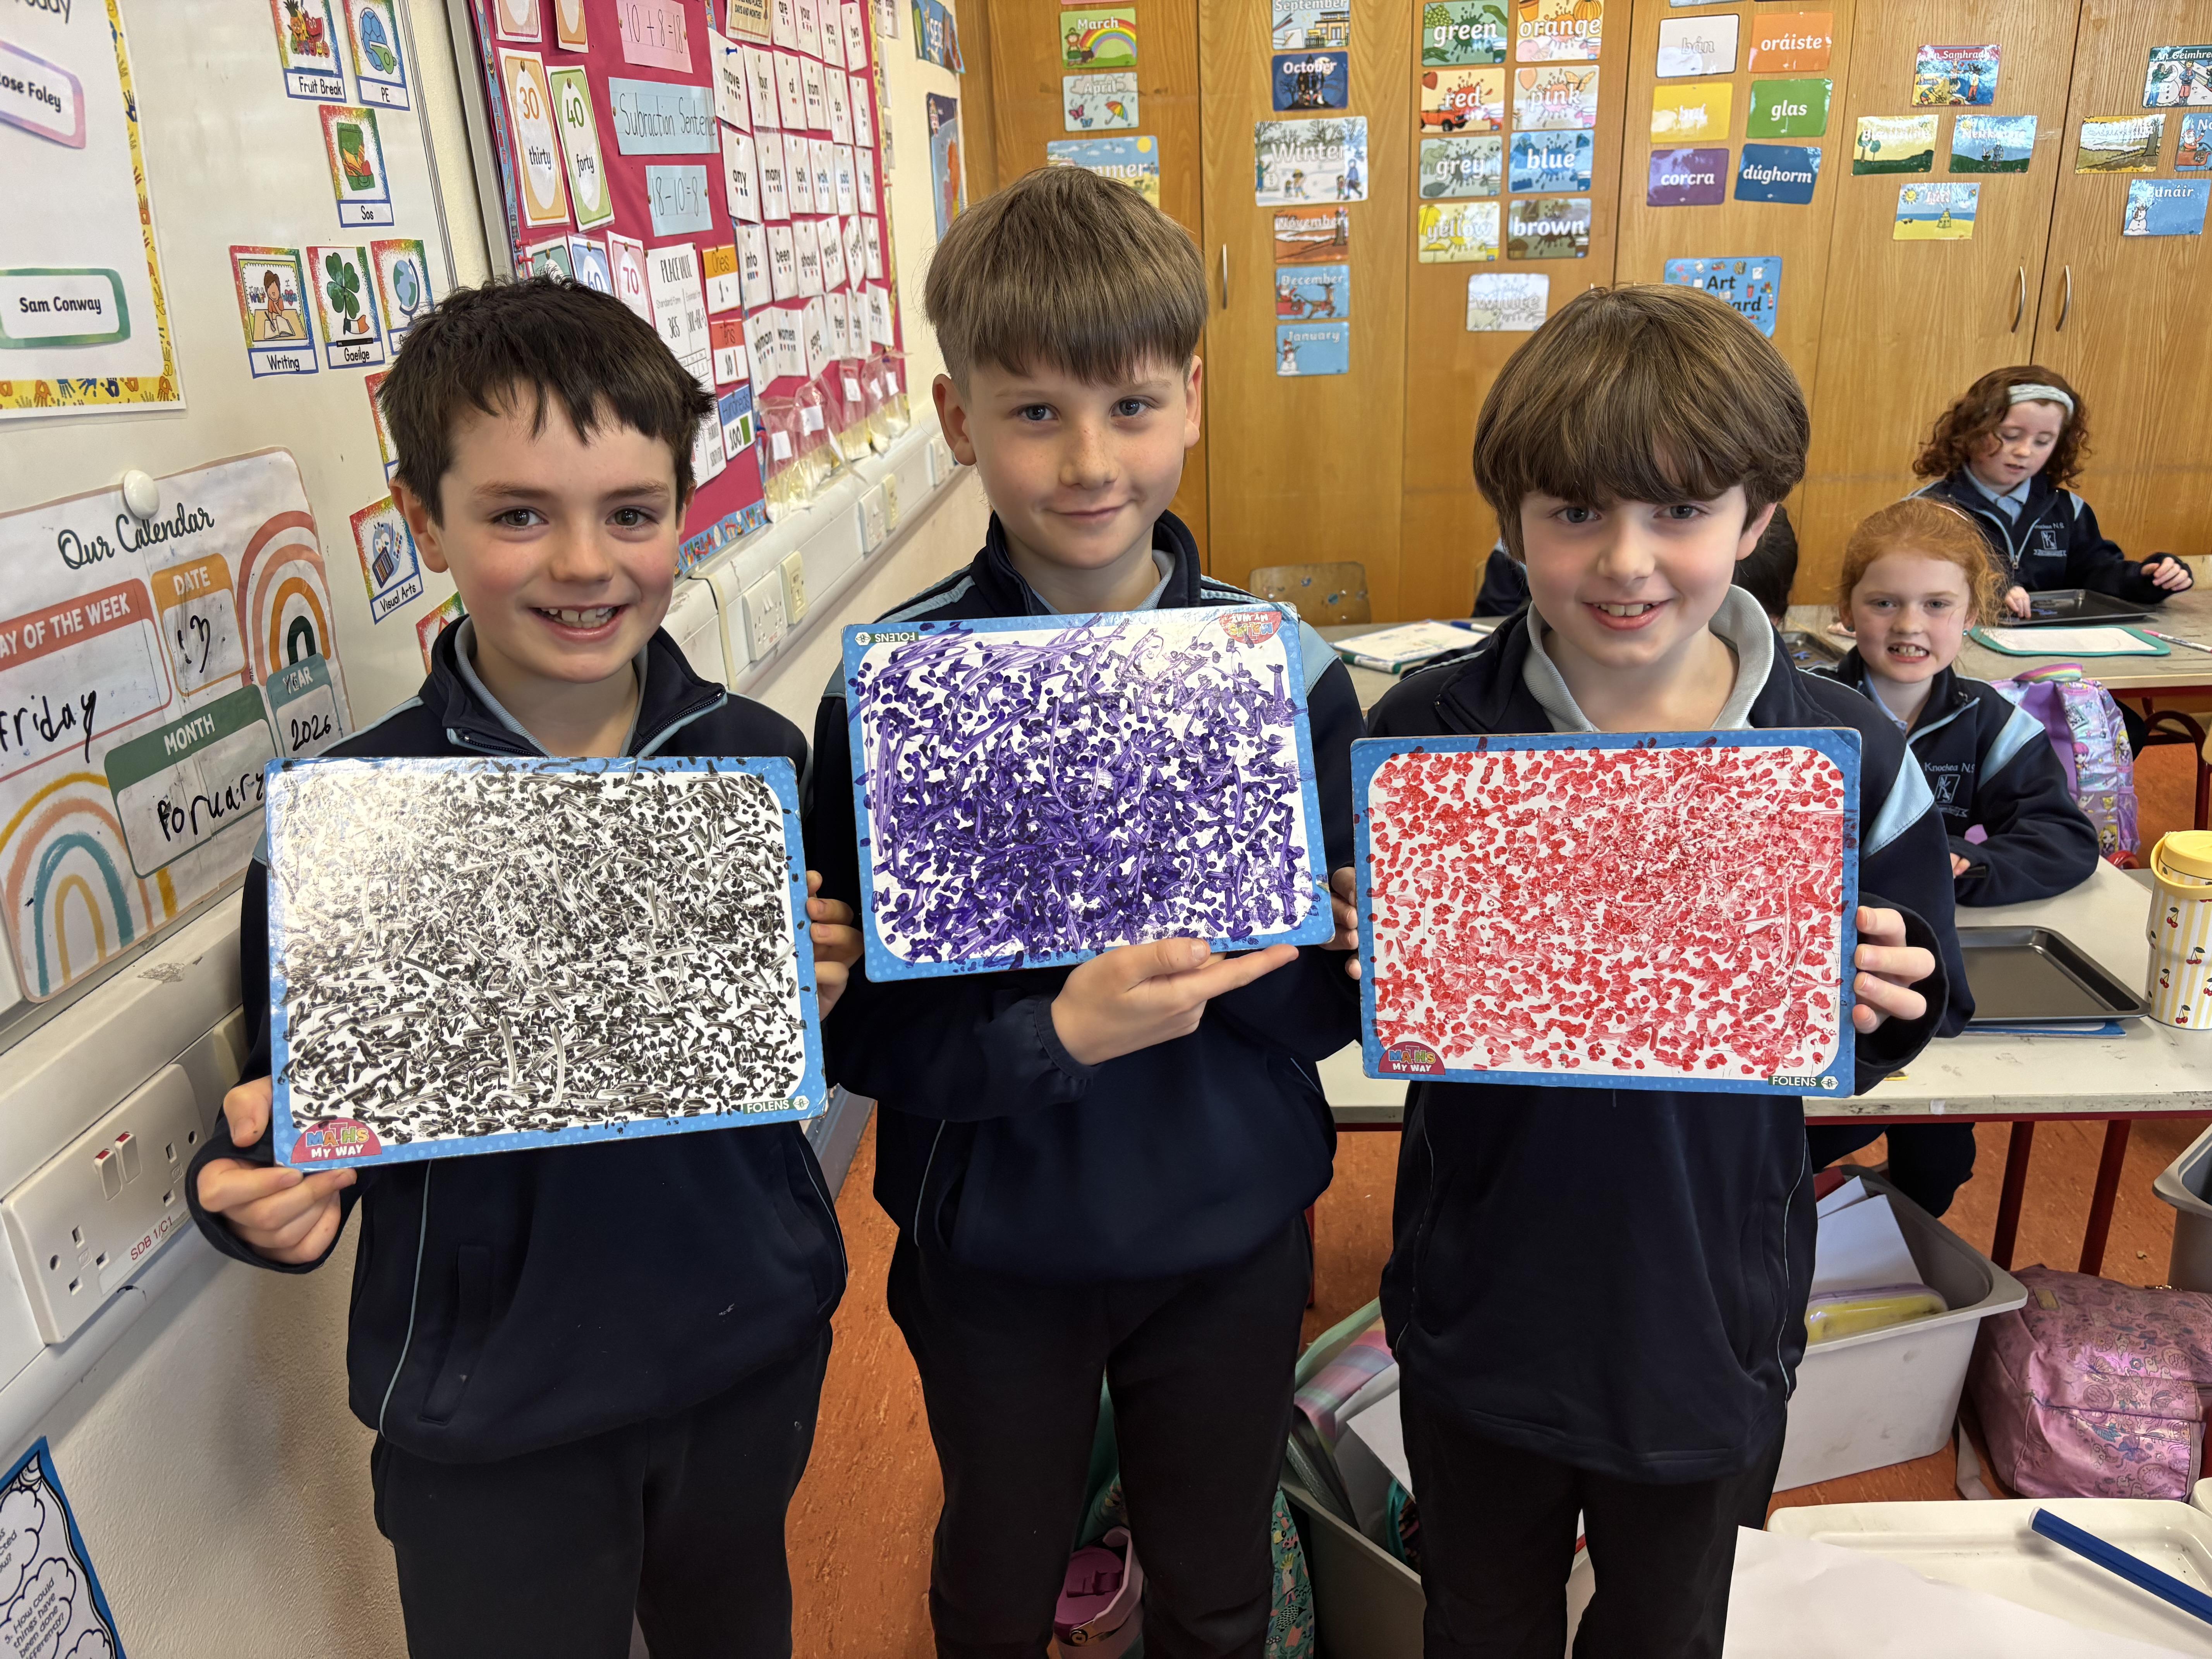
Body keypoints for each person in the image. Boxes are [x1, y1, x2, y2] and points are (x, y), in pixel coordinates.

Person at [188, 278, 859, 1659]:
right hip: (494, 1420)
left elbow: (786, 1046)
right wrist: (254, 1195)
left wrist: (824, 984)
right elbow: (288, 1121)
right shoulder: (359, 825)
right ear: (422, 520)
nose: (584, 563)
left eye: (631, 512)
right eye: (516, 516)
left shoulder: (753, 759)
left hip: (745, 1352)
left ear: (682, 509)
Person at [805, 165, 1364, 1659]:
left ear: (1191, 399)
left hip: (1228, 1223)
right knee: (998, 1569)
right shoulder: (894, 696)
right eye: (1035, 411)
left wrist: (1329, 949)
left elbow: (1327, 1009)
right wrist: (1054, 1033)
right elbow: (866, 1032)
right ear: (956, 418)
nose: (1088, 459)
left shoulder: (1284, 673)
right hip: (997, 1242)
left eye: (1129, 405)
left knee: (1216, 1569)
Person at [1361, 285, 1968, 1659]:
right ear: (1511, 521)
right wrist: (1354, 940)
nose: (1626, 559)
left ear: (1755, 520)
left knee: (1670, 1627)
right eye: (1575, 511)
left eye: (1681, 510)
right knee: (1478, 1618)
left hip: (1706, 1310)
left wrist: (1893, 988)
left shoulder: (1841, 750)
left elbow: (1921, 1001)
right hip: (1485, 1302)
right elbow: (1367, 996)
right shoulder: (1428, 732)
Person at [1807, 497, 2098, 1216]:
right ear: (1845, 610)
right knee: (1801, 1140)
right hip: (1831, 971)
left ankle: (1897, 1237)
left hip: (1940, 970)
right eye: (1884, 602)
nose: (1909, 625)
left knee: (1939, 1155)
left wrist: (1975, 866)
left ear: (1972, 614)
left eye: (1937, 604)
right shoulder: (1804, 713)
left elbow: (2064, 838)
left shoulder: (1991, 722)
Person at [1911, 366, 2194, 616]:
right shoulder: (1926, 509)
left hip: (2047, 646)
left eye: (2043, 441)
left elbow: (2096, 573)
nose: (2024, 451)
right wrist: (1989, 591)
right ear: (1970, 431)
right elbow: (1910, 585)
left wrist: (2147, 578)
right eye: (2010, 436)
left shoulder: (2069, 510)